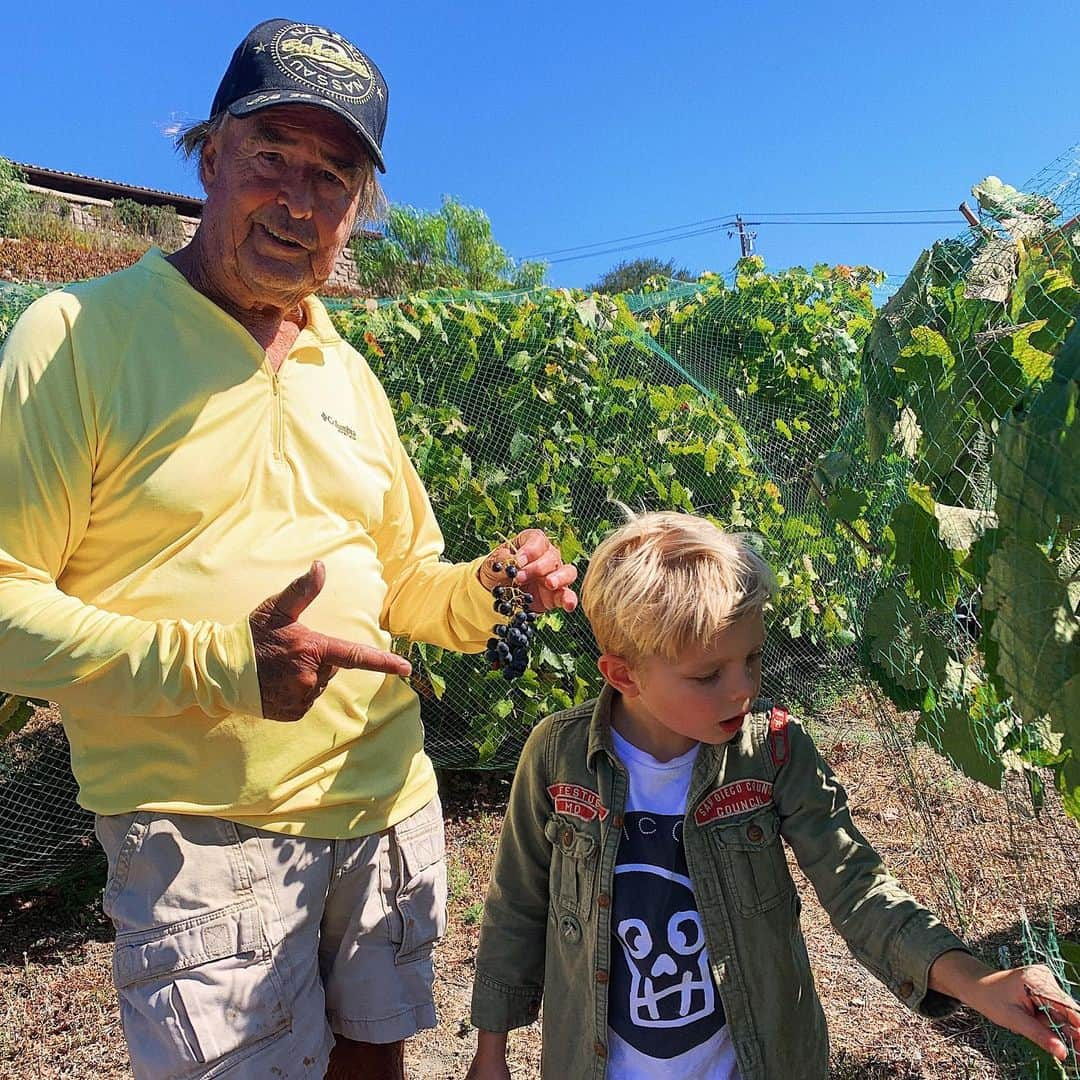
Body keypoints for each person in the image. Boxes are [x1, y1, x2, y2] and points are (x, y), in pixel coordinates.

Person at [0, 18, 577, 1080]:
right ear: (209, 155)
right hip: (203, 829)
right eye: (275, 158)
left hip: (385, 801)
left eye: (336, 176)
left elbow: (408, 584)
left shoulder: (345, 370)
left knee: (375, 1063)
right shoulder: (75, 337)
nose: (302, 200)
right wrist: (225, 663)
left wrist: (498, 587)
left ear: (358, 212)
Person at [466, 511, 1080, 1079]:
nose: (742, 690)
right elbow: (516, 907)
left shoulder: (775, 754)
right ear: (624, 674)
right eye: (708, 674)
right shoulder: (557, 757)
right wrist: (490, 1052)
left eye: (752, 660)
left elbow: (857, 888)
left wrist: (979, 981)